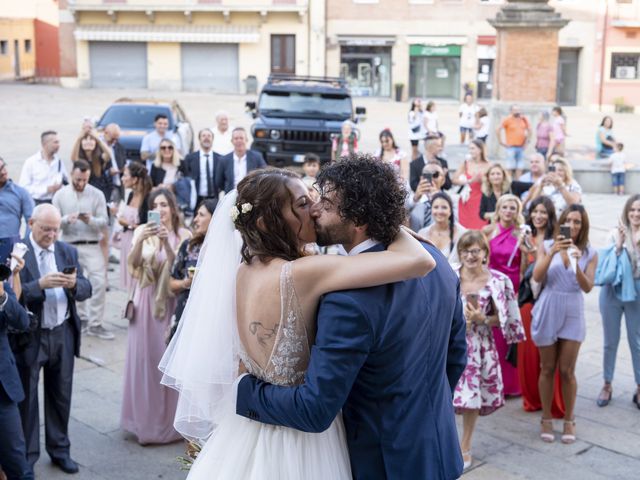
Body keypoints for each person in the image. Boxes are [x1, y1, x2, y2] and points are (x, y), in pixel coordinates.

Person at [160, 157, 466, 479]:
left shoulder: (342, 298)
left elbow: (315, 407)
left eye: (325, 203)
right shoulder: (438, 262)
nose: (315, 210)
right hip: (439, 447)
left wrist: (242, 390)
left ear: (358, 217)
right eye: (307, 202)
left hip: (381, 459)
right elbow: (455, 357)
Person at [14, 204, 91, 473]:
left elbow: (86, 288)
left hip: (62, 333)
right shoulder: (18, 253)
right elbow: (12, 297)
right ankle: (27, 458)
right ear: (31, 223)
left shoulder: (66, 250)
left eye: (55, 229)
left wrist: (73, 284)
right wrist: (40, 286)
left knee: (61, 396)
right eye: (46, 229)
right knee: (28, 402)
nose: (51, 235)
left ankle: (60, 450)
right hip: (32, 336)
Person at [122, 188, 190, 445]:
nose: (160, 209)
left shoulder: (183, 235)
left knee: (169, 363)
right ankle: (145, 424)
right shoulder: (142, 231)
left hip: (171, 303)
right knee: (146, 363)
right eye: (155, 205)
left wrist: (166, 245)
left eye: (164, 204)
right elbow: (134, 266)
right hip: (145, 302)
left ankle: (172, 424)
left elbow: (180, 267)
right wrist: (142, 240)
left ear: (172, 208)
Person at [453, 230, 525, 470]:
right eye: (465, 250)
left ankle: (465, 444)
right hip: (451, 343)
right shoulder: (450, 276)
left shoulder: (498, 280)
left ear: (485, 253)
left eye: (476, 250)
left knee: (471, 397)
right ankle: (448, 438)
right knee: (449, 394)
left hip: (480, 346)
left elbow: (506, 319)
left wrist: (483, 318)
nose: (470, 255)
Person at [532, 204, 598, 444]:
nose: (573, 225)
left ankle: (569, 419)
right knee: (547, 368)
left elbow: (588, 287)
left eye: (578, 221)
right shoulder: (548, 245)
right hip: (549, 306)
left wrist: (576, 260)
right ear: (561, 222)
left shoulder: (589, 252)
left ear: (583, 225)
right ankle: (546, 418)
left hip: (573, 309)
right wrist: (552, 253)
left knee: (567, 371)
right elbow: (537, 277)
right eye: (569, 220)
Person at [52, 160, 112, 340]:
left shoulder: (97, 194)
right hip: (69, 243)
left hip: (91, 243)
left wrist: (90, 220)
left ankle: (96, 323)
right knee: (72, 282)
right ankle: (81, 318)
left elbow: (105, 221)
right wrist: (65, 219)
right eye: (78, 179)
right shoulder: (60, 195)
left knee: (99, 281)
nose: (81, 183)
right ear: (72, 174)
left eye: (85, 180)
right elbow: (54, 221)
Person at [517, 196, 565, 417]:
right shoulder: (525, 237)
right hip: (528, 300)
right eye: (535, 211)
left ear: (550, 215)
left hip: (551, 299)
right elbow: (522, 275)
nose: (538, 216)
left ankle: (553, 399)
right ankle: (532, 397)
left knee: (549, 354)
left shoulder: (556, 239)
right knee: (528, 353)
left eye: (543, 212)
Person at [483, 195, 532, 397]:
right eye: (505, 207)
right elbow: (483, 260)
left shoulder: (522, 234)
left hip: (513, 286)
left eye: (513, 207)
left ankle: (512, 384)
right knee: (494, 335)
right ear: (498, 209)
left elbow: (525, 266)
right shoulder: (488, 230)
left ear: (517, 211)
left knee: (510, 335)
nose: (509, 210)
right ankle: (493, 381)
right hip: (493, 285)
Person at [597, 195, 640, 409]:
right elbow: (606, 265)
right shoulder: (615, 233)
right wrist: (621, 244)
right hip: (612, 290)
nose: (636, 214)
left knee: (637, 342)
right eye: (632, 209)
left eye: (639, 210)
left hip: (637, 291)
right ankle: (607, 383)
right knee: (609, 341)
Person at [167, 199, 217, 343]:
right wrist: (187, 282)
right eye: (196, 215)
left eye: (201, 215)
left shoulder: (228, 251)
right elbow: (170, 284)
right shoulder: (189, 246)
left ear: (215, 218)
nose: (195, 220)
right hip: (184, 312)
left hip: (209, 318)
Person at [1, 266, 33, 480]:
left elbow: (22, 321)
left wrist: (3, 297)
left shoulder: (2, 287)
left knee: (17, 464)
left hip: (2, 391)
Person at [115, 162, 152, 291]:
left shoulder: (148, 198)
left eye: (125, 175)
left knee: (138, 280)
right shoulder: (130, 195)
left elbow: (149, 226)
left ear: (135, 179)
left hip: (139, 243)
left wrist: (128, 224)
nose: (122, 178)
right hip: (126, 241)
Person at [19, 131, 68, 205]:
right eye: (55, 142)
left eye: (58, 142)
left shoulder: (59, 162)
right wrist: (46, 189)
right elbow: (23, 188)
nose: (58, 145)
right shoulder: (31, 162)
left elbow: (66, 182)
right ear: (45, 144)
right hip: (36, 203)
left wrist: (60, 187)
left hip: (55, 203)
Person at [418, 192, 465, 267]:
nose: (439, 211)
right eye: (436, 207)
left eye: (444, 207)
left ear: (450, 211)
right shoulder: (422, 234)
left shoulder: (462, 233)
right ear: (431, 210)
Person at [452, 139, 491, 230]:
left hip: (481, 199)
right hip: (467, 199)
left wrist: (484, 180)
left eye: (473, 148)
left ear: (480, 150)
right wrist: (470, 181)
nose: (470, 151)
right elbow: (454, 179)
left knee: (480, 226)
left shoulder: (488, 165)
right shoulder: (466, 163)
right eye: (470, 148)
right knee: (465, 227)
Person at [218, 127, 267, 193]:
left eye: (241, 138)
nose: (239, 141)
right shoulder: (224, 160)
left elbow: (264, 175)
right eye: (236, 138)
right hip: (231, 196)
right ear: (232, 141)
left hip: (251, 195)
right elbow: (219, 182)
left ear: (246, 140)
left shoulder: (257, 157)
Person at [182, 128, 221, 207]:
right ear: (199, 139)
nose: (206, 138)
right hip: (197, 199)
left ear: (212, 139)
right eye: (203, 136)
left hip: (215, 198)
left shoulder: (220, 158)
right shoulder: (190, 158)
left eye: (209, 136)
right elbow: (186, 177)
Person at [0, 156, 34, 238]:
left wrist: (26, 242)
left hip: (10, 244)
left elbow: (32, 220)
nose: (3, 172)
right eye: (0, 169)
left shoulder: (21, 193)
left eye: (3, 167)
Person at [408, 162, 447, 232]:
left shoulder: (451, 201)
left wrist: (439, 199)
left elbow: (453, 223)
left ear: (443, 179)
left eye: (435, 175)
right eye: (427, 175)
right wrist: (415, 199)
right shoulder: (411, 200)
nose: (431, 179)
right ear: (421, 178)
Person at [497, 104, 530, 179]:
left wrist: (527, 142)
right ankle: (509, 182)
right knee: (510, 166)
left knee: (520, 166)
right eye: (515, 110)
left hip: (521, 147)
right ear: (511, 111)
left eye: (518, 110)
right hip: (511, 147)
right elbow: (498, 129)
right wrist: (501, 142)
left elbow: (529, 131)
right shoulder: (508, 120)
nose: (517, 111)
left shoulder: (523, 120)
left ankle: (518, 182)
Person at [101, 123, 126, 203]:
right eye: (112, 139)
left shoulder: (119, 147)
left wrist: (124, 169)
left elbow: (124, 162)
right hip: (104, 187)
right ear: (105, 133)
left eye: (117, 139)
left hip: (118, 186)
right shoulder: (97, 147)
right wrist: (108, 172)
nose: (114, 141)